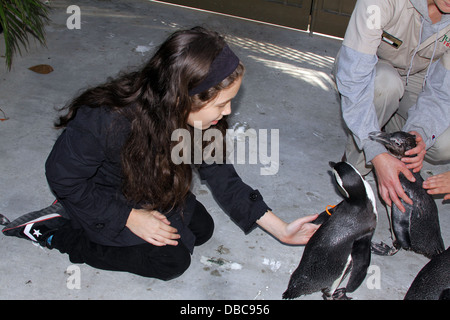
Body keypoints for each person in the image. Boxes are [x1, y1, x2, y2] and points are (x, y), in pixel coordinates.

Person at [2, 27, 319, 280]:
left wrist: (282, 229)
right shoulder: (107, 119)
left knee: (201, 230)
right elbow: (61, 175)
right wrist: (128, 217)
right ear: (184, 98)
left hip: (142, 185)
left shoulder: (197, 119)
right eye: (221, 103)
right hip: (102, 196)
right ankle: (56, 230)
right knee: (172, 260)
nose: (228, 112)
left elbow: (222, 177)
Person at [334, 0, 450, 212]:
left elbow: (442, 92)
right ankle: (357, 168)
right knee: (385, 85)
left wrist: (420, 132)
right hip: (372, 69)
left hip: (419, 78)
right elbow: (355, 78)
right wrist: (376, 152)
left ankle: (393, 141)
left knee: (444, 142)